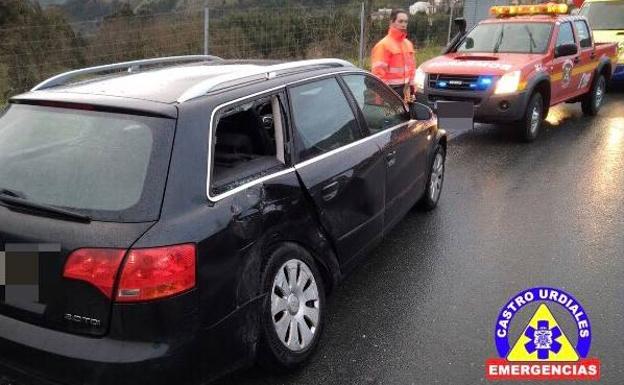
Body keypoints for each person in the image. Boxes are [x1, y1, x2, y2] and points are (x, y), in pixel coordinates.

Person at [371, 9, 417, 102]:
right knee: (392, 116)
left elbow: (412, 69)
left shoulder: (408, 44)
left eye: (406, 21)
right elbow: (378, 74)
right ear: (392, 22)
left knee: (408, 115)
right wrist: (383, 97)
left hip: (407, 91)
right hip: (391, 91)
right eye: (400, 21)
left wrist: (413, 90)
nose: (404, 24)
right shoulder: (383, 45)